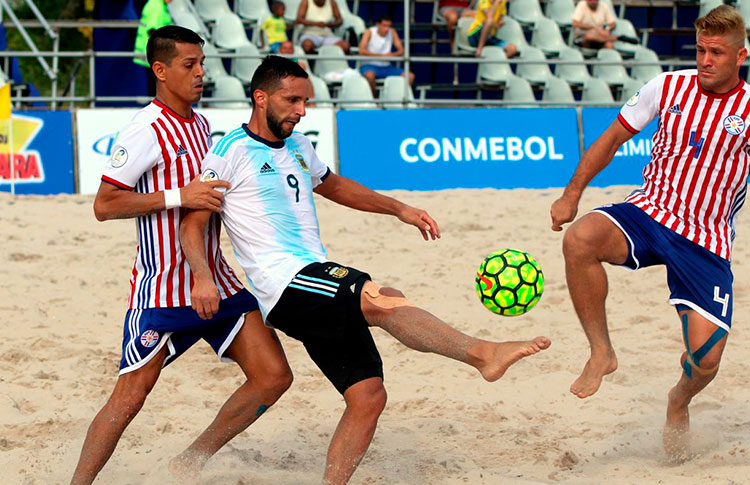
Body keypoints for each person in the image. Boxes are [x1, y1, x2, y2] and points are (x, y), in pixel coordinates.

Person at [181, 55, 551, 484]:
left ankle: (196, 461)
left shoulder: (299, 145)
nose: (302, 111)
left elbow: (334, 186)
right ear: (261, 97)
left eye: (306, 101)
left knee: (368, 396)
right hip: (285, 285)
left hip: (312, 276)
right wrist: (202, 278)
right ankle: (482, 353)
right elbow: (194, 222)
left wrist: (399, 209)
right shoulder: (229, 151)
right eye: (292, 100)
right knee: (380, 297)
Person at [70, 27, 292, 485]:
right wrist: (177, 196)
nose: (200, 73)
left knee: (274, 376)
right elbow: (104, 205)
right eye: (189, 65)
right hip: (163, 292)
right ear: (160, 70)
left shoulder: (202, 125)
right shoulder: (145, 130)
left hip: (217, 281)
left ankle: (190, 460)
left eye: (202, 63)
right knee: (130, 398)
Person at [550, 5, 748, 459]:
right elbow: (612, 138)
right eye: (700, 49)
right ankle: (602, 352)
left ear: (740, 57)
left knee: (706, 362)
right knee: (579, 239)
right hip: (650, 211)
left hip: (706, 240)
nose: (705, 60)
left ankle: (678, 400)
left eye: (716, 52)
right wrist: (571, 194)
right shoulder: (668, 86)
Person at [358, 16, 414, 97]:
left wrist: (392, 55)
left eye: (389, 26)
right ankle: (375, 100)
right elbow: (361, 50)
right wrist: (381, 56)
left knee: (410, 76)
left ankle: (397, 98)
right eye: (384, 26)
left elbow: (401, 50)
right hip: (370, 65)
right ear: (378, 24)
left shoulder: (392, 32)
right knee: (370, 76)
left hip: (387, 67)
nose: (387, 29)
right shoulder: (369, 32)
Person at [134, 0, 173, 96]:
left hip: (151, 52)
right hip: (153, 54)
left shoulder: (157, 4)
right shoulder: (157, 6)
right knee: (156, 84)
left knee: (154, 84)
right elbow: (152, 31)